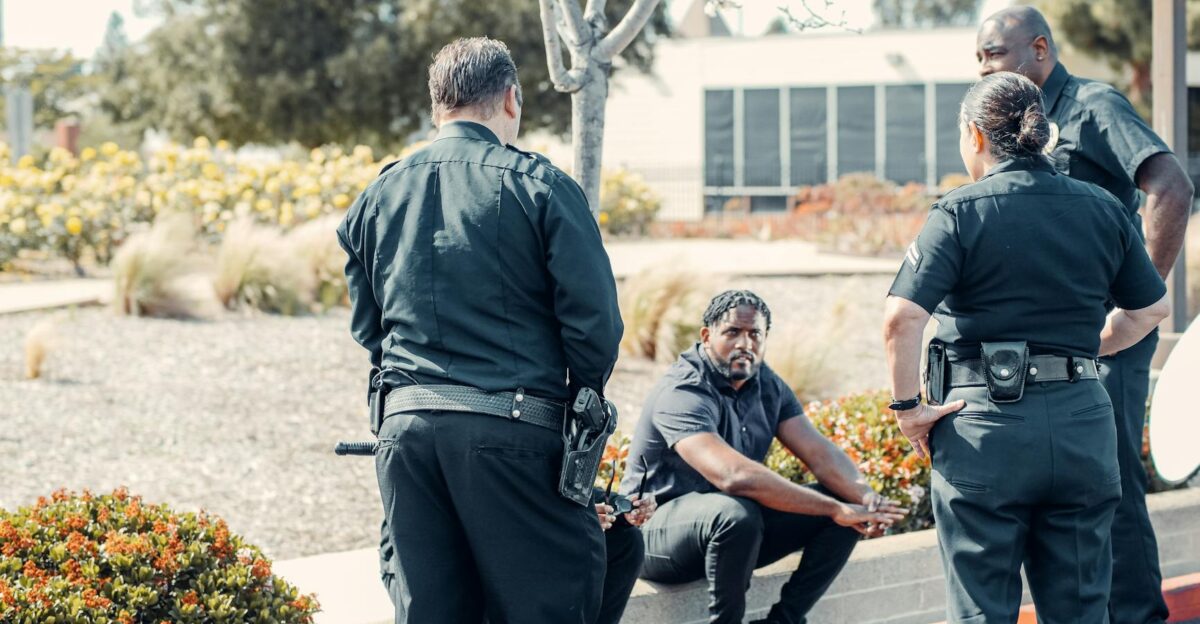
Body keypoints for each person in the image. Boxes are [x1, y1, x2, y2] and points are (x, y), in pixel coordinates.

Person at [337, 37, 623, 623]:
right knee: (549, 604)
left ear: (437, 104)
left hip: (407, 434)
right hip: (514, 434)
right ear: (512, 100)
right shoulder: (541, 187)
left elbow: (369, 326)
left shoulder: (377, 195)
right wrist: (583, 393)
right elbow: (595, 325)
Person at [885, 71, 1170, 623]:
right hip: (1083, 426)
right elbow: (1150, 311)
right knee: (1084, 611)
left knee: (983, 611)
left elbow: (901, 318)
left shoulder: (959, 211)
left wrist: (908, 410)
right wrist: (1091, 350)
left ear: (975, 136)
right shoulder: (1103, 208)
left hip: (983, 433)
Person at [975, 8, 1194, 621]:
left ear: (1039, 48)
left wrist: (1135, 308)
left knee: (1111, 483)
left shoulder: (1093, 106)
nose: (983, 67)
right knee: (1074, 490)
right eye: (979, 57)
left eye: (993, 53)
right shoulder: (1024, 128)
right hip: (1059, 345)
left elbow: (1171, 187)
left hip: (1108, 338)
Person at [620, 290, 907, 624]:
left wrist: (865, 498)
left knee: (842, 507)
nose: (745, 343)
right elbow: (733, 476)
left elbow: (819, 453)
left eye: (754, 333)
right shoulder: (684, 389)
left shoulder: (766, 383)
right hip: (654, 536)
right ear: (706, 335)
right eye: (732, 332)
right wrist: (834, 508)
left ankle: (783, 620)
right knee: (737, 513)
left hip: (733, 535)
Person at [378, 491, 657, 624]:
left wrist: (619, 507)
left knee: (623, 542)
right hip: (427, 556)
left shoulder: (535, 405)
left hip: (510, 537)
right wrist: (564, 521)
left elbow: (544, 485)